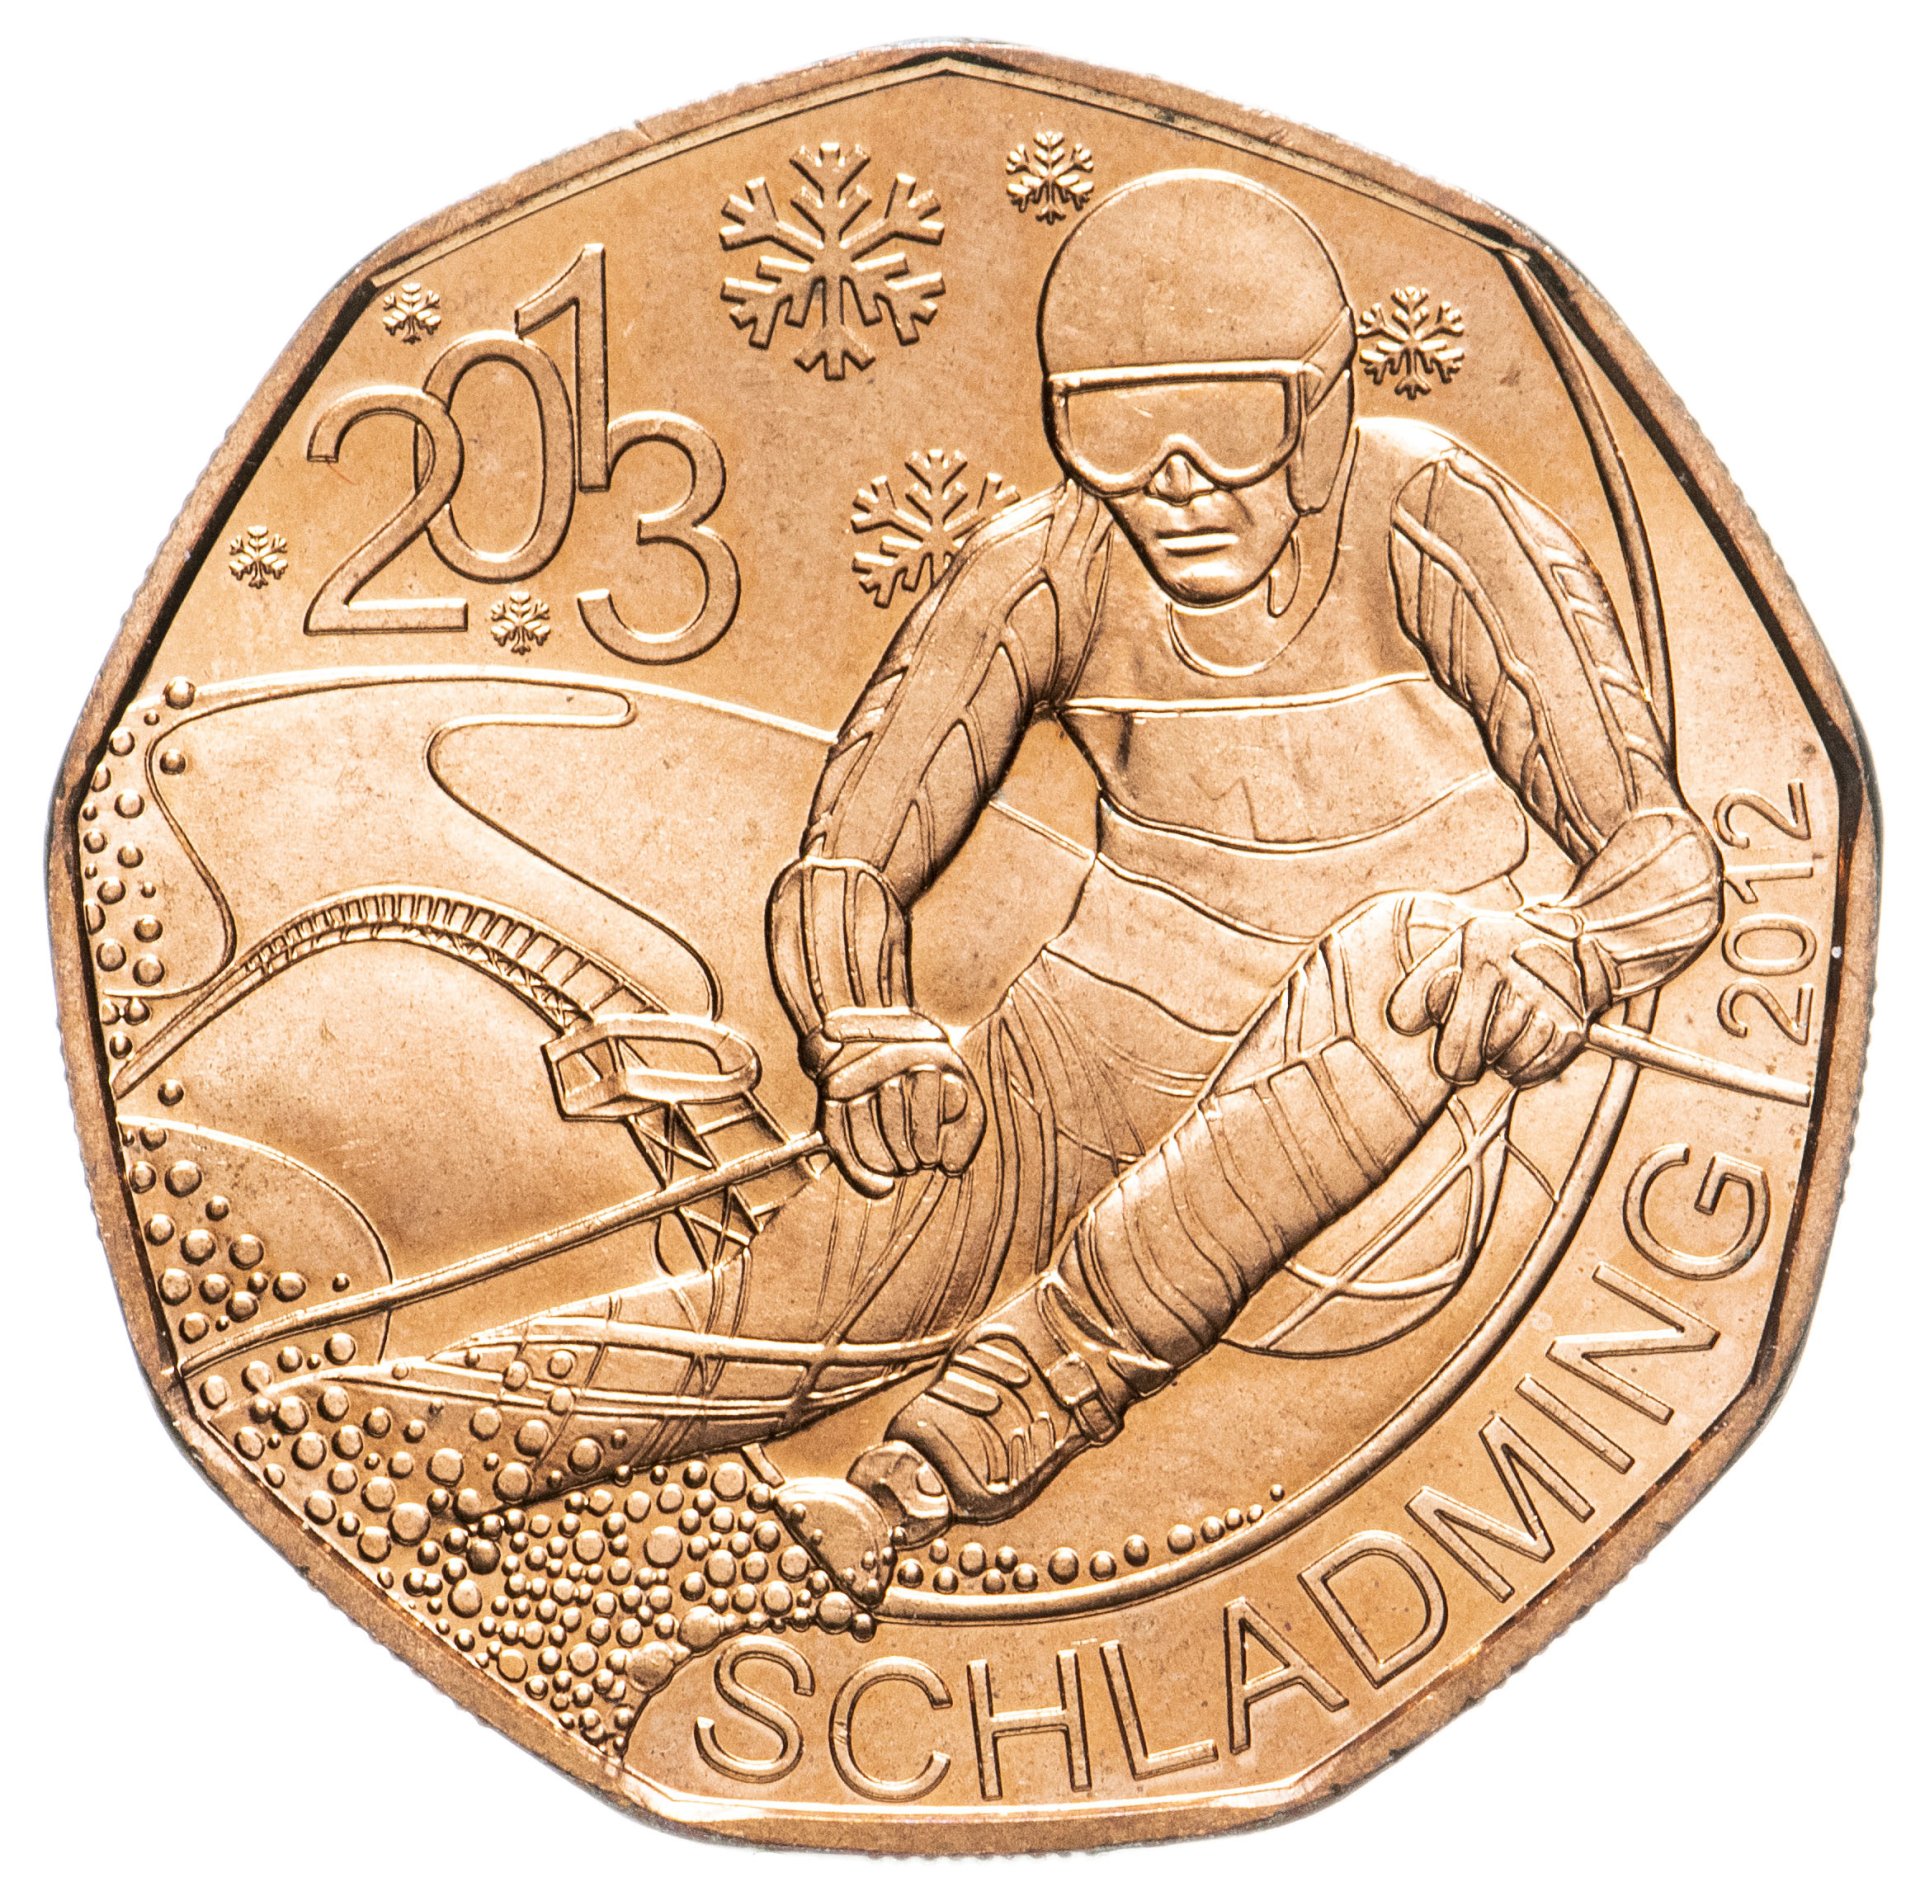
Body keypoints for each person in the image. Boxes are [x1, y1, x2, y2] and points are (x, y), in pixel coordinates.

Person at [287, 171, 1721, 1601]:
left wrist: (1572, 953)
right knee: (779, 1314)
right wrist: (866, 1032)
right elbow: (849, 856)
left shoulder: (1433, 515)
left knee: (1405, 952)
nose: (1175, 486)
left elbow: (1661, 851)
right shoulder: (1051, 563)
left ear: (1324, 414)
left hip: (1383, 1033)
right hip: (1094, 1048)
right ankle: (378, 1433)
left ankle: (938, 1462)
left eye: (1229, 430)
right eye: (1116, 435)